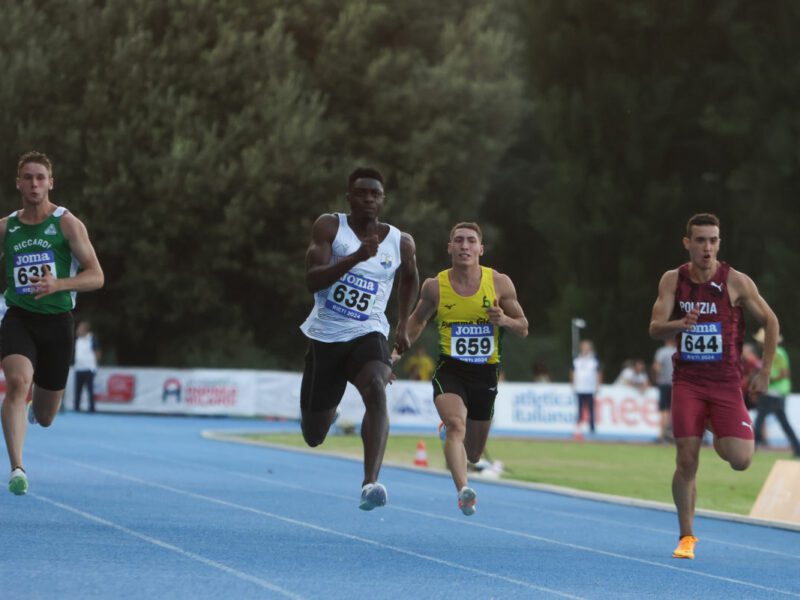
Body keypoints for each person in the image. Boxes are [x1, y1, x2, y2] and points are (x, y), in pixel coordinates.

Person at [649, 213, 778, 560]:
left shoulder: (736, 281)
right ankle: (687, 536)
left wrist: (764, 371)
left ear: (719, 243)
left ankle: (711, 424)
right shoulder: (672, 280)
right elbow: (655, 328)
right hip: (688, 381)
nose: (707, 248)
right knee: (686, 461)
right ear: (687, 243)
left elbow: (770, 320)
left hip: (724, 383)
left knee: (741, 459)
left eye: (713, 240)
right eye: (701, 240)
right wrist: (680, 323)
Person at [299, 167, 418, 511]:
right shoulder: (330, 228)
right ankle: (326, 412)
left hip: (368, 332)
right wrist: (355, 258)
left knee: (377, 389)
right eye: (361, 193)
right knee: (314, 435)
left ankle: (370, 483)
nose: (368, 198)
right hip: (325, 337)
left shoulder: (400, 241)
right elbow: (312, 281)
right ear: (349, 197)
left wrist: (402, 324)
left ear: (383, 199)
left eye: (374, 193)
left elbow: (410, 277)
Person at [394, 222, 528, 516]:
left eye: (471, 241)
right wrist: (393, 355)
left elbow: (523, 328)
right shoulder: (434, 287)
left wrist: (503, 320)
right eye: (459, 241)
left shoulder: (500, 283)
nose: (465, 246)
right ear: (450, 248)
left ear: (480, 249)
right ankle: (463, 491)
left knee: (475, 452)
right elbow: (415, 323)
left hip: (485, 372)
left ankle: (455, 444)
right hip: (450, 370)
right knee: (457, 425)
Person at [1, 151, 104, 495]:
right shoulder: (6, 227)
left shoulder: (66, 224)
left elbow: (96, 276)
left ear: (50, 182)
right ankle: (17, 467)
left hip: (58, 322)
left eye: (40, 177)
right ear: (18, 183)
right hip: (18, 317)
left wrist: (58, 284)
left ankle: (35, 411)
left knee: (45, 417)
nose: (34, 184)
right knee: (17, 382)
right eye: (28, 177)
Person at [752, 328, 800, 457]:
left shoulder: (776, 353)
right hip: (776, 392)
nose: (760, 344)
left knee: (759, 420)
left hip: (774, 392)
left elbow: (784, 373)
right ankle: (797, 448)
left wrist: (767, 379)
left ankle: (753, 447)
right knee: (782, 422)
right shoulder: (776, 352)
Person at [570, 340, 601, 438]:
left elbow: (598, 373)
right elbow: (573, 372)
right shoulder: (577, 359)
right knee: (579, 409)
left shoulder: (594, 359)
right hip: (580, 387)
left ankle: (592, 428)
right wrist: (573, 384)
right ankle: (578, 429)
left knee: (591, 409)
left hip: (590, 388)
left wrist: (597, 385)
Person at [652, 338, 677, 443]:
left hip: (664, 383)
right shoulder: (677, 351)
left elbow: (657, 366)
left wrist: (657, 378)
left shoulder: (661, 351)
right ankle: (672, 434)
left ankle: (662, 434)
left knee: (664, 410)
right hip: (676, 383)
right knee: (674, 410)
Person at [73, 320, 101, 412]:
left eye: (80, 328)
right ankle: (76, 407)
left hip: (89, 368)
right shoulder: (77, 340)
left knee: (90, 390)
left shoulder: (92, 338)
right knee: (78, 390)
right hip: (78, 368)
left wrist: (94, 364)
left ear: (85, 330)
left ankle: (92, 408)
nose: (77, 330)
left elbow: (97, 352)